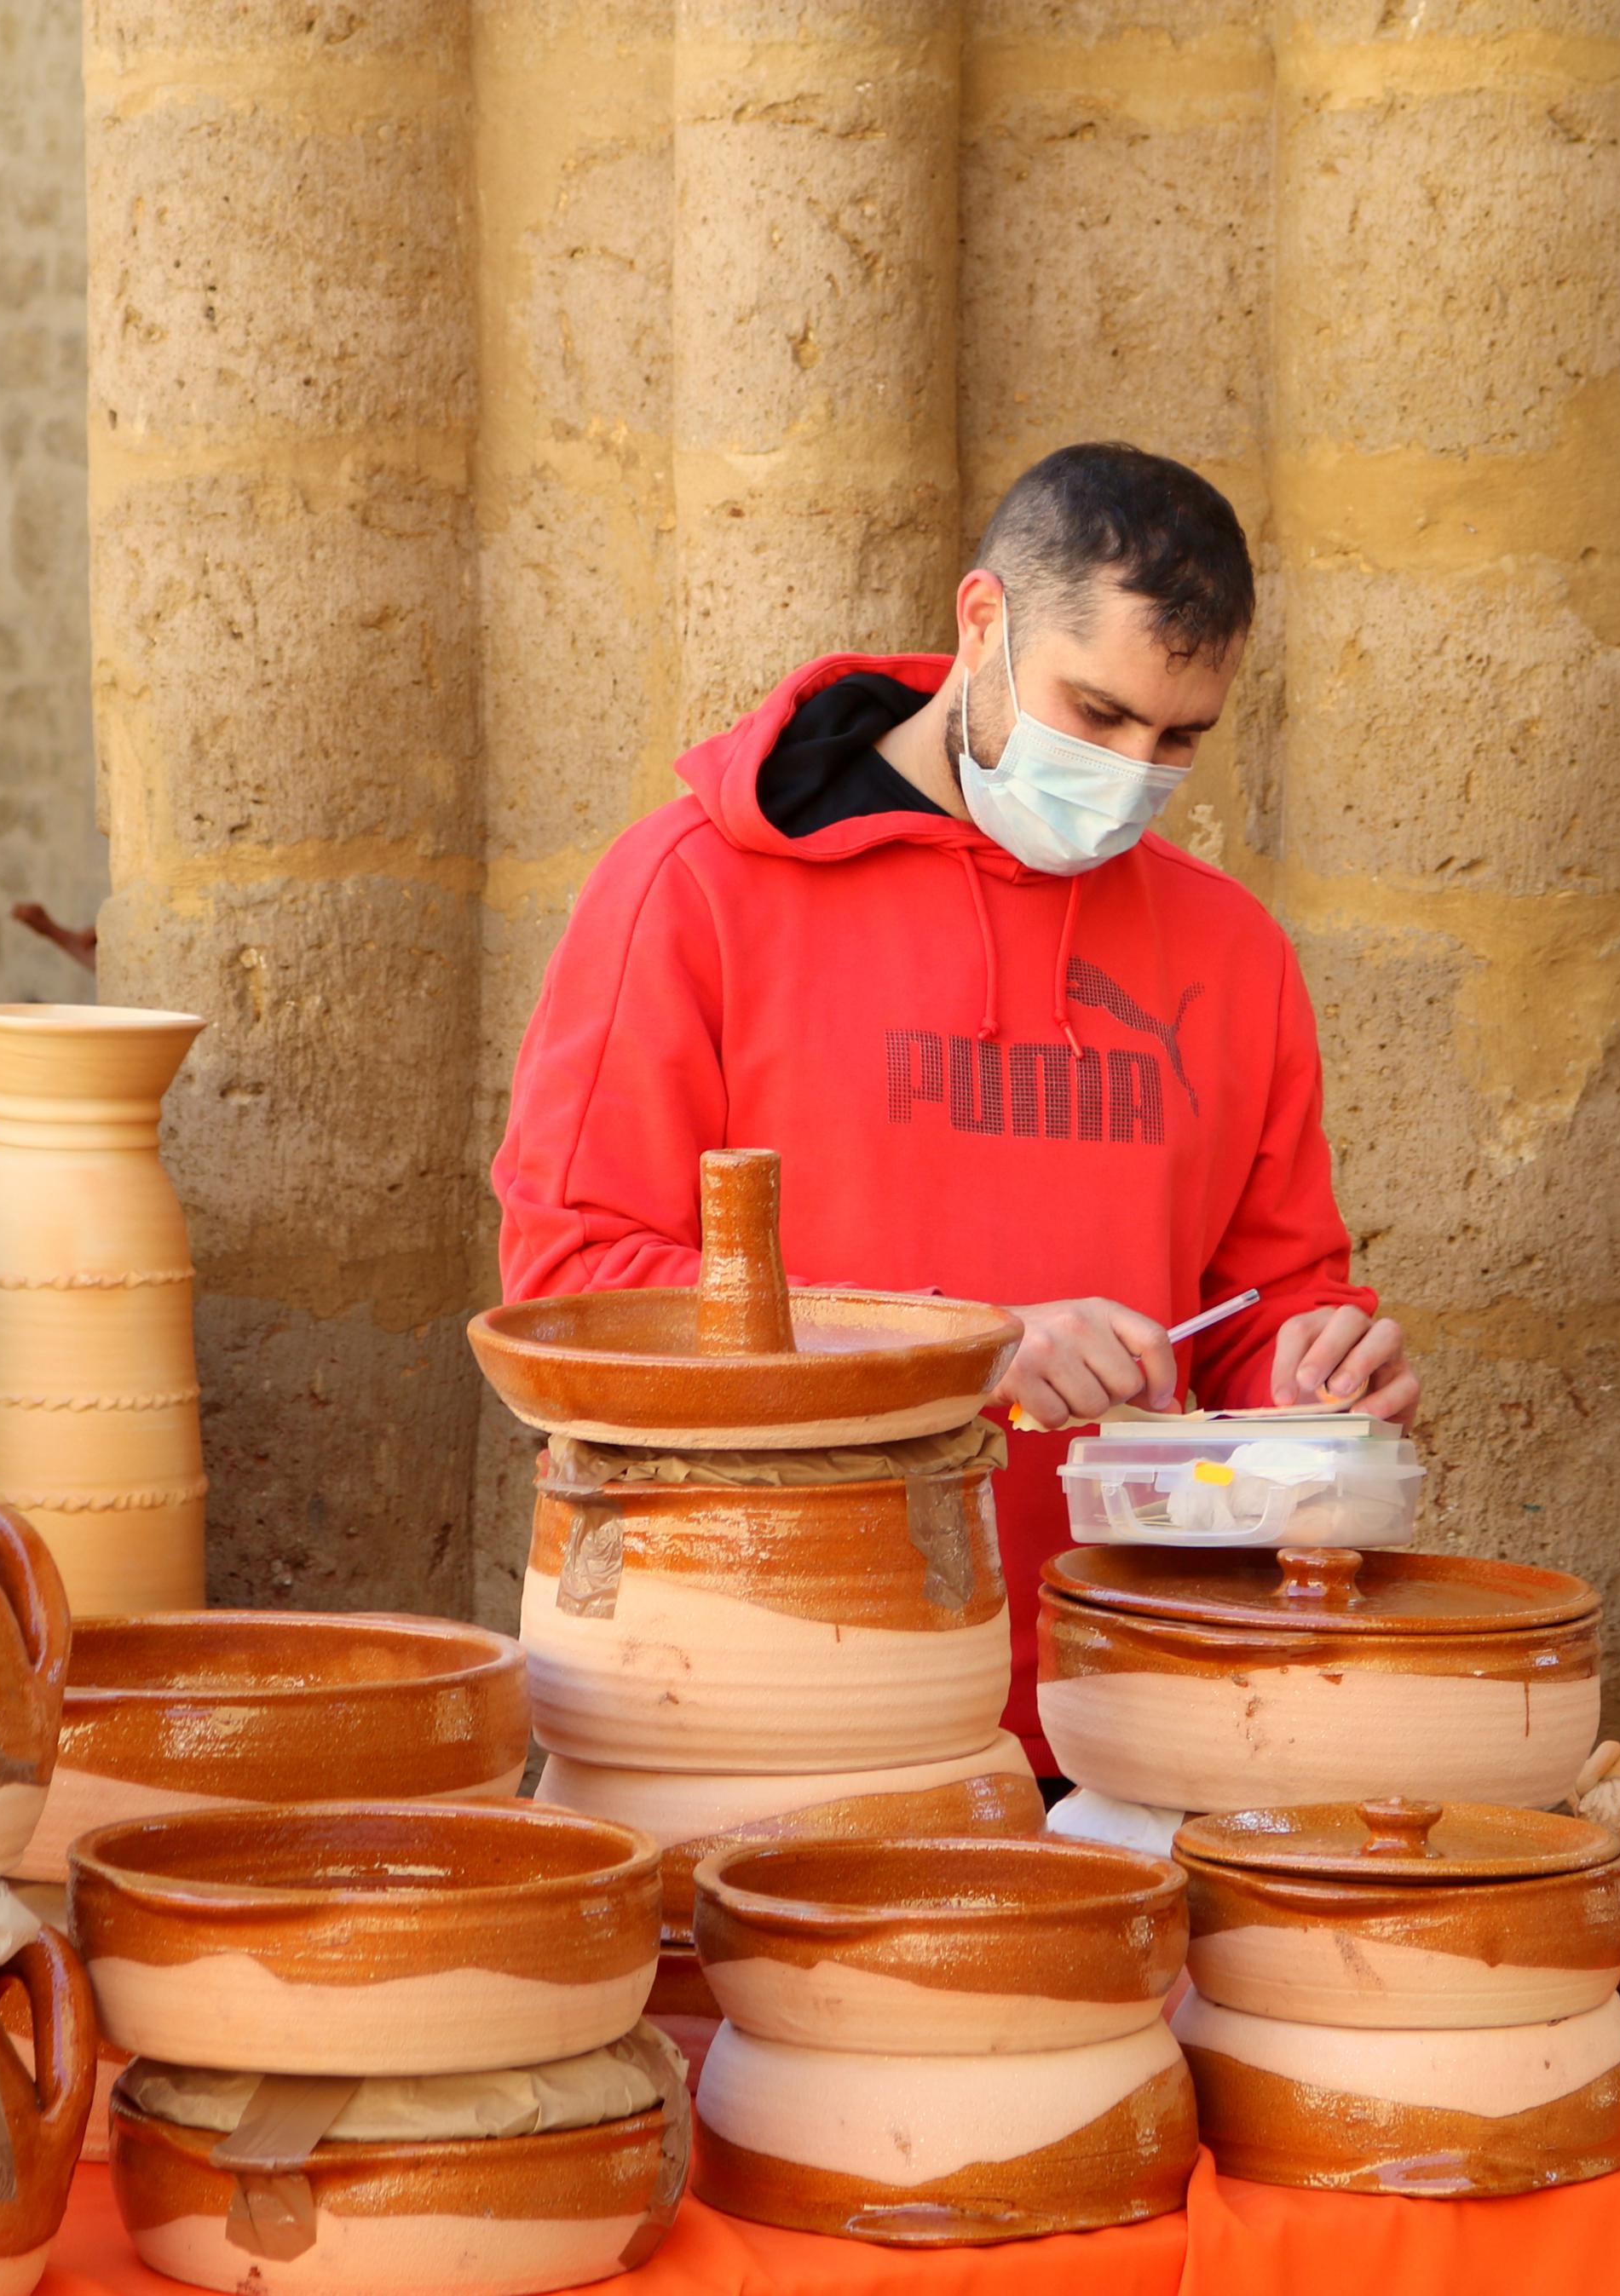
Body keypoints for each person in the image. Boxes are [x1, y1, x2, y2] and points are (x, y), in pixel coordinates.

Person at [493, 442, 1416, 1773]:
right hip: (744, 1690)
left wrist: (1315, 1373)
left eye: (1177, 739)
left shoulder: (1234, 951)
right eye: (1093, 714)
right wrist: (960, 1354)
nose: (1129, 769)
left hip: (1113, 1710)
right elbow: (573, 1285)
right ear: (980, 621)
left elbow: (1258, 1305)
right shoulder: (688, 890)